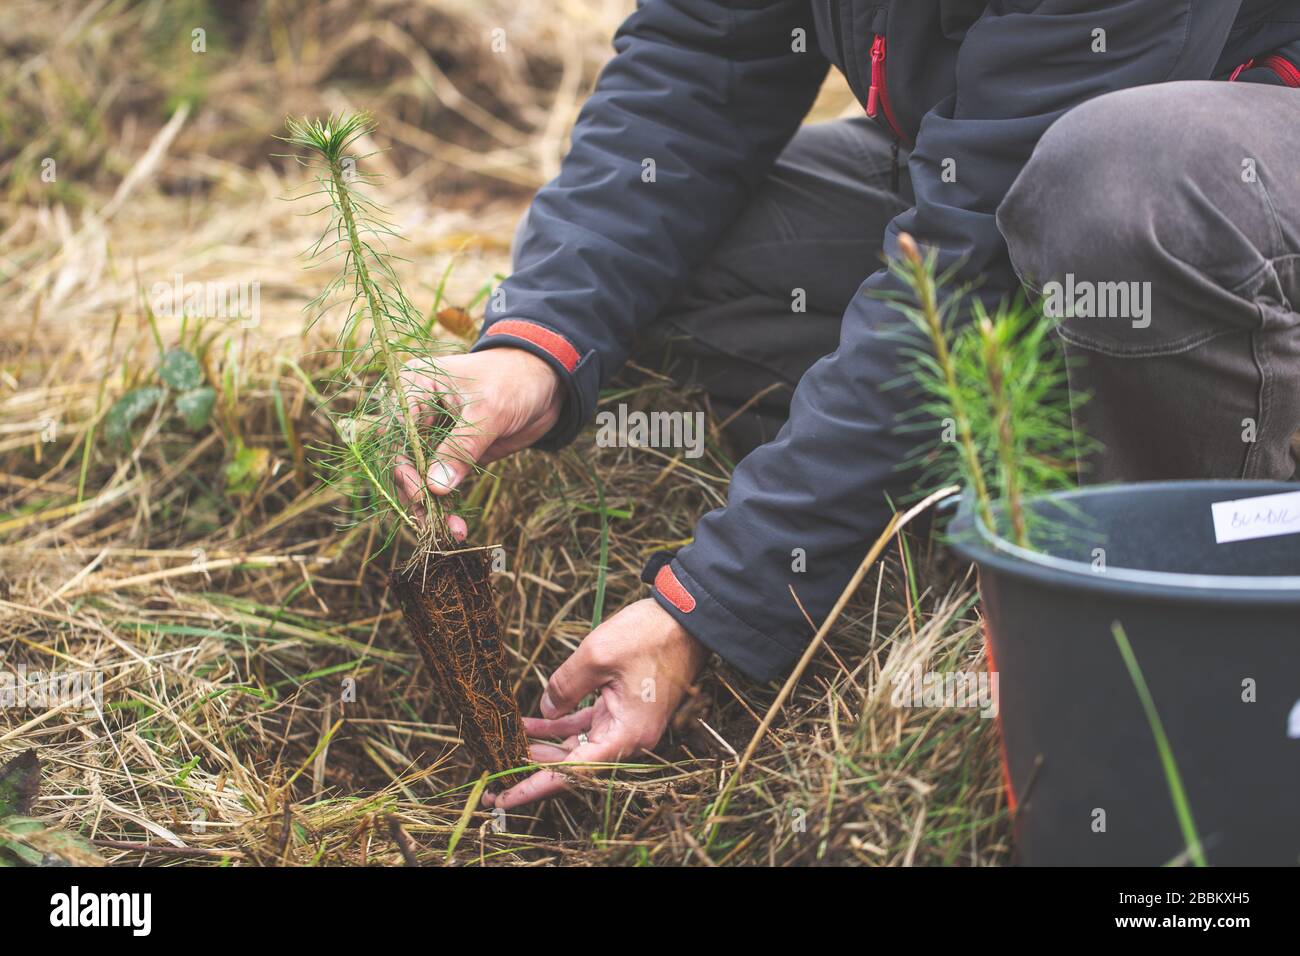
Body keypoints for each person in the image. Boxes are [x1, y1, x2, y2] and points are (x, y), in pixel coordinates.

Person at [393, 1, 1300, 810]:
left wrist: (707, 603)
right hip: (1014, 163)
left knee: (1123, 195)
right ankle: (982, 526)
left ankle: (1188, 653)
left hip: (1227, 177)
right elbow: (699, 62)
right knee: (702, 262)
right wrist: (538, 343)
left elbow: (961, 276)